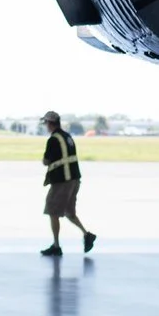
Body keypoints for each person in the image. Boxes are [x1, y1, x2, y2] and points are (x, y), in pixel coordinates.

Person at [38, 110, 96, 256]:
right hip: (74, 180)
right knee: (69, 212)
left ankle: (56, 246)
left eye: (46, 123)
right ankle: (87, 235)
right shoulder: (68, 137)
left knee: (52, 210)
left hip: (62, 182)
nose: (46, 126)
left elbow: (46, 161)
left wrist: (45, 161)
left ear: (50, 123)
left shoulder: (53, 139)